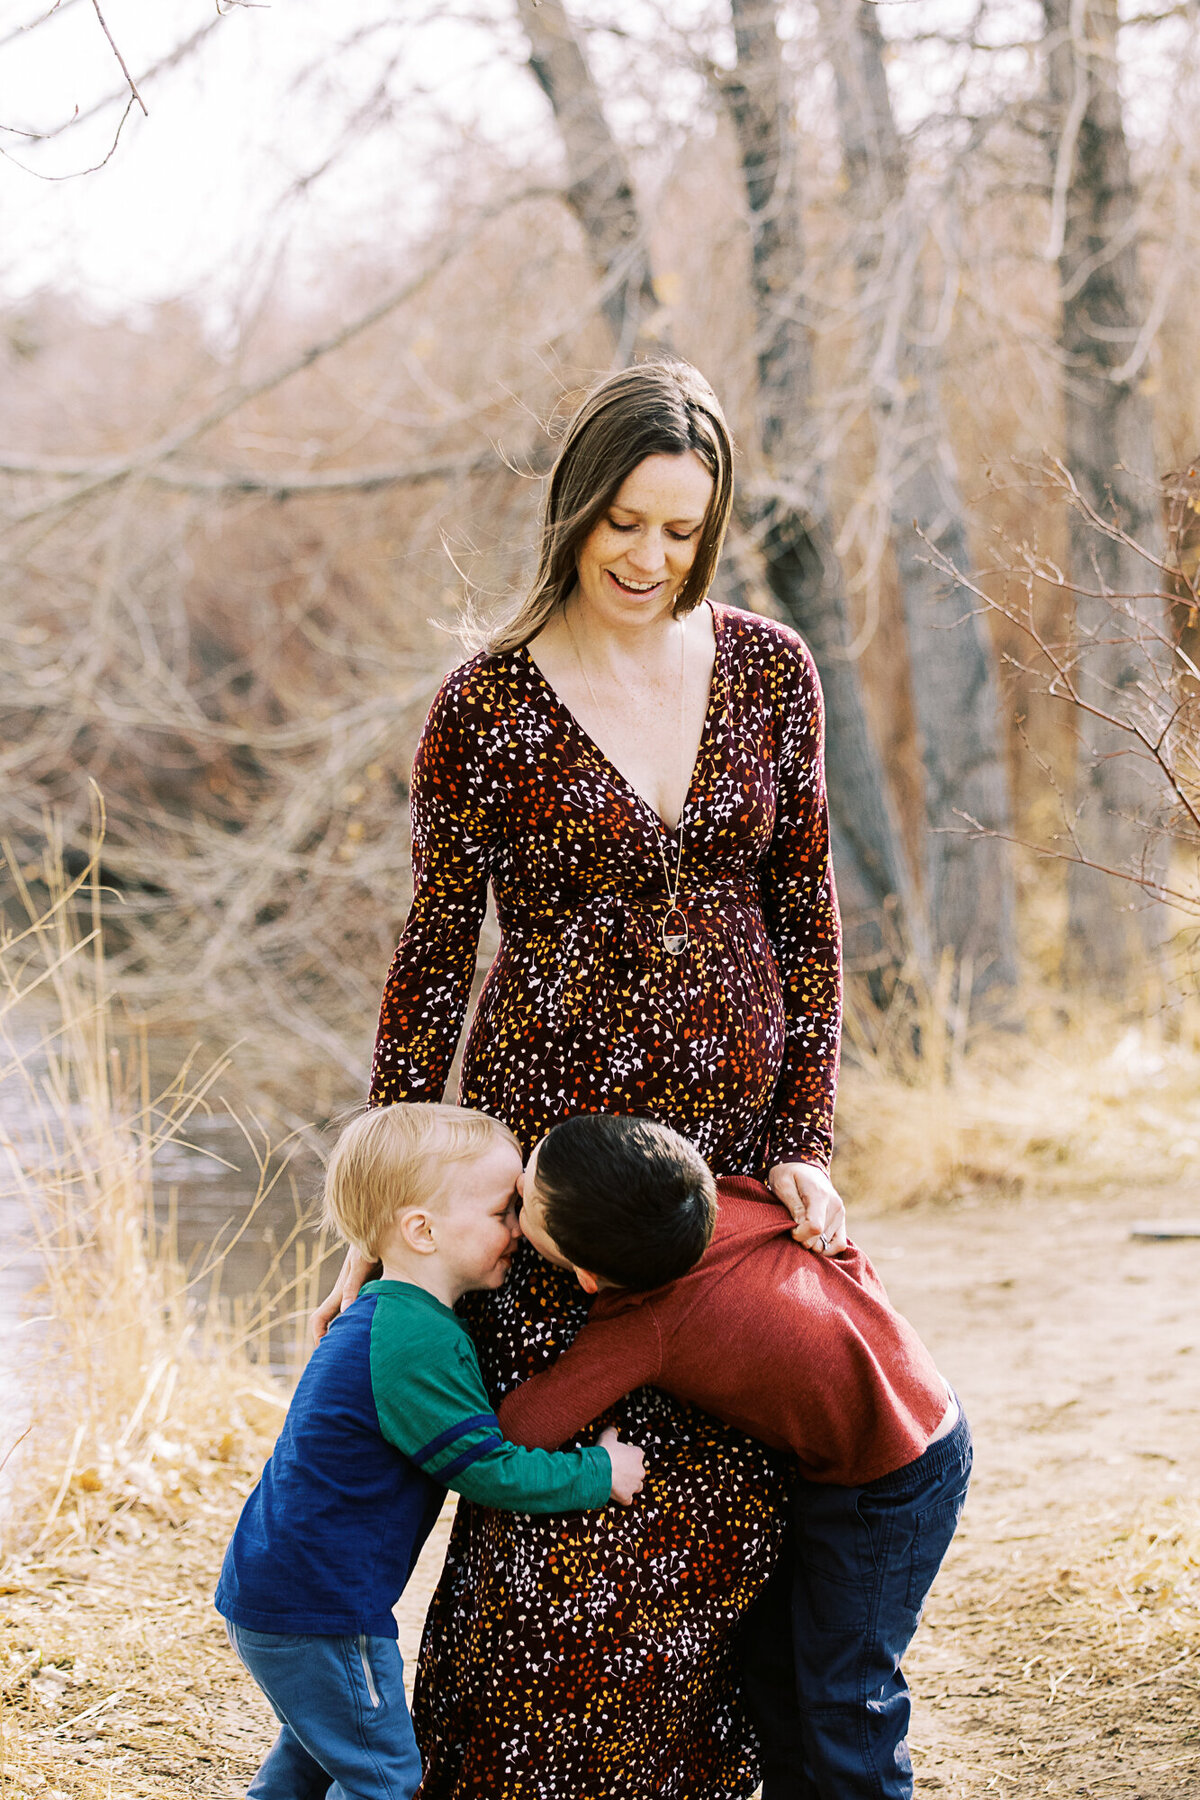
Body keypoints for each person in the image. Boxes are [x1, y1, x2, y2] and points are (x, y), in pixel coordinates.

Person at [313, 359, 847, 1796]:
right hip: (543, 1188)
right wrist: (384, 1218)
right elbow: (431, 956)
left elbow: (804, 912)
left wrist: (804, 1132)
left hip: (727, 1181)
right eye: (624, 521)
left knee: (725, 1525)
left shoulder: (765, 670)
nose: (649, 556)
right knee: (548, 1541)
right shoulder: (483, 702)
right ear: (572, 510)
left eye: (681, 530)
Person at [505, 1113, 973, 1800]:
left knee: (846, 1695)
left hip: (894, 1477)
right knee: (777, 1669)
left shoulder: (641, 1321)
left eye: (522, 1202)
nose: (513, 1210)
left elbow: (521, 1428)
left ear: (586, 1278)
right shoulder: (739, 1197)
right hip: (898, 1424)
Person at [217, 1104, 645, 1800]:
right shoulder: (415, 1341)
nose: (523, 1232)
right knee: (383, 1779)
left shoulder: (387, 1315)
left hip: (281, 1593)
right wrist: (600, 1471)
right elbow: (487, 1469)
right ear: (422, 1229)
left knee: (315, 1761)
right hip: (322, 1609)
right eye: (505, 1212)